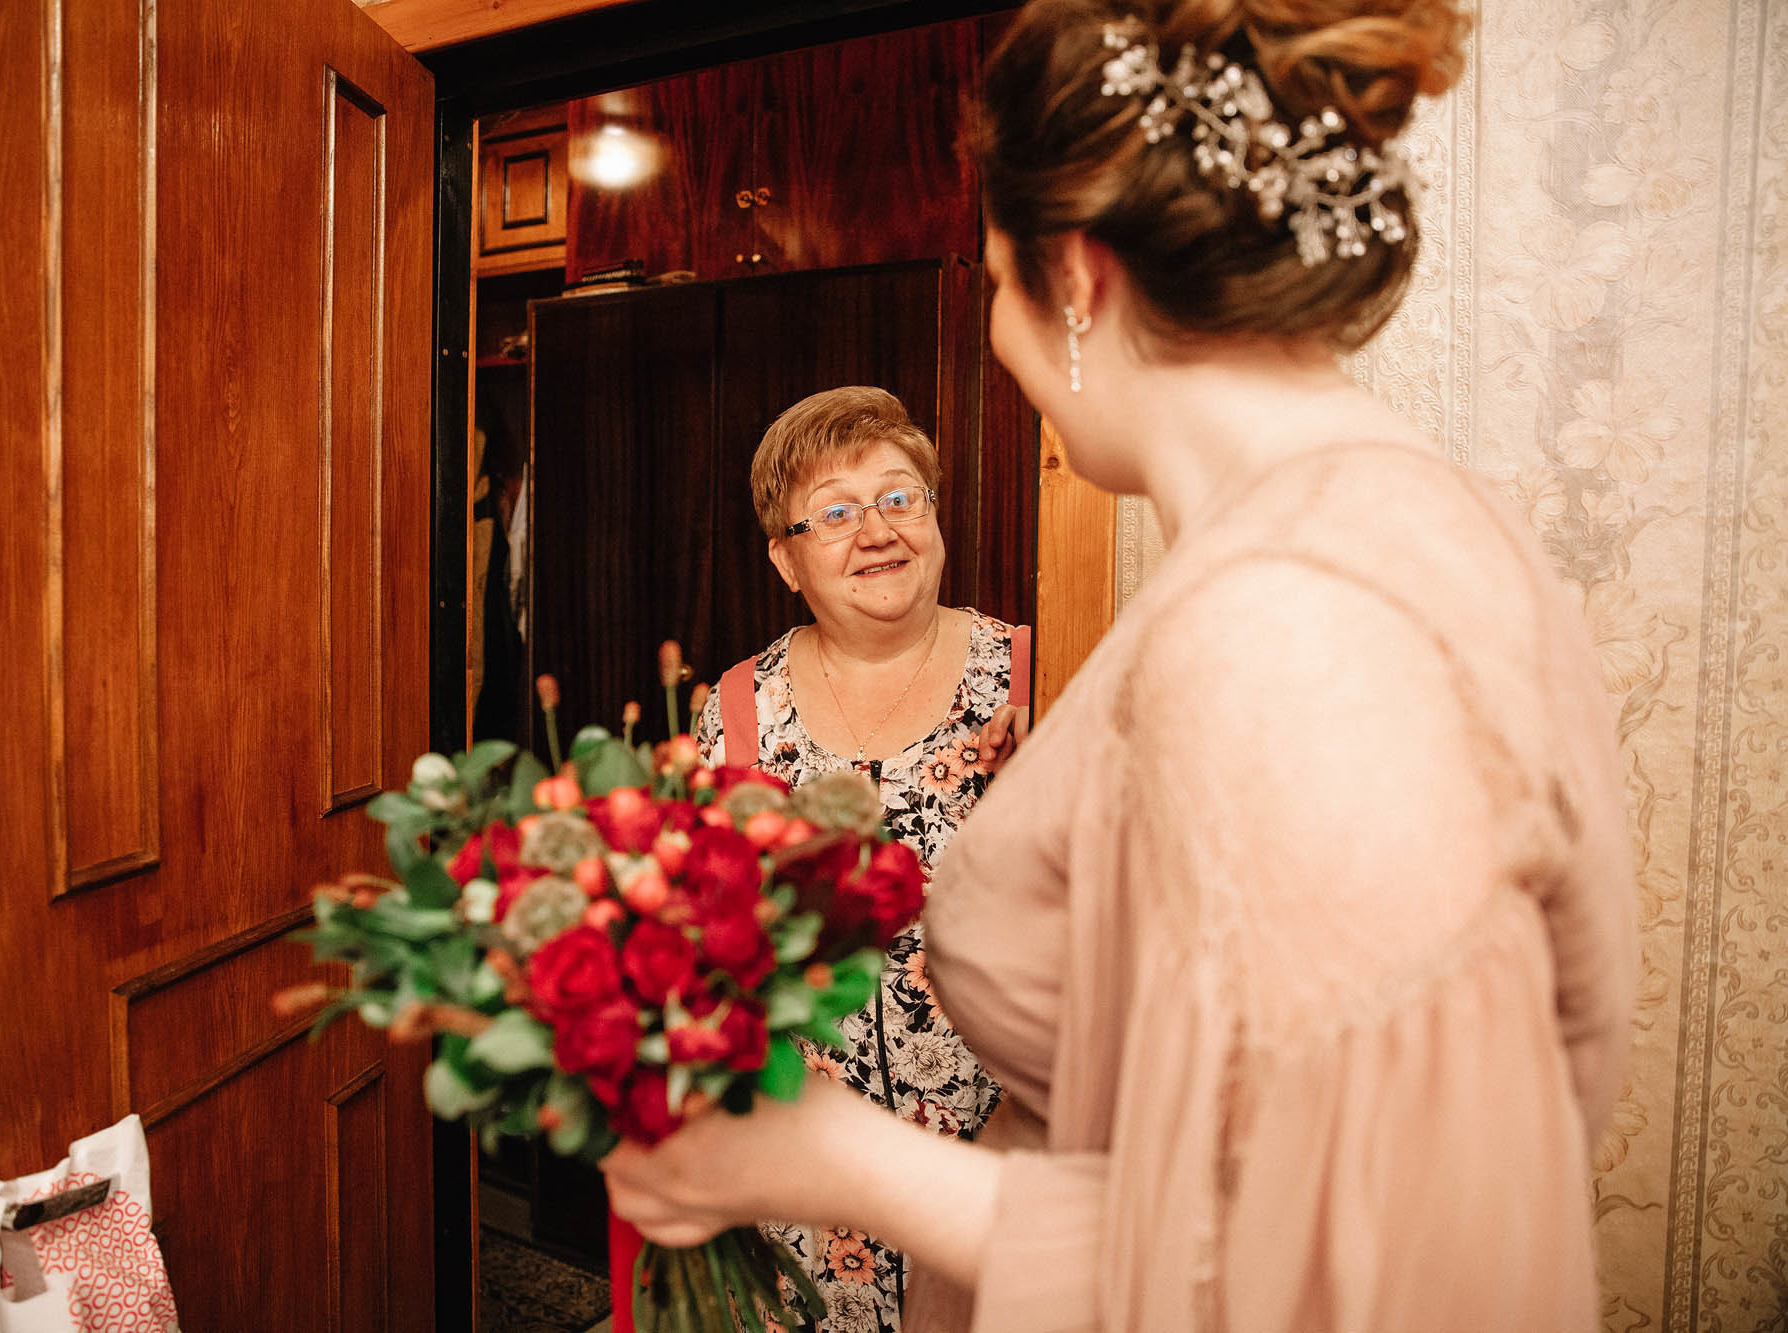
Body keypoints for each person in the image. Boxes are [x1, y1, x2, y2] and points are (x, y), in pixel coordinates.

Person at [605, 2, 1637, 1330]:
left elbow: (1383, 1281)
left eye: (996, 281)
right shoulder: (1360, 535)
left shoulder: (1302, 628)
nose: (999, 332)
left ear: (1079, 280)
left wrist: (837, 1161)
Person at [686, 384, 1031, 1332]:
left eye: (898, 497)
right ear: (786, 559)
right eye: (835, 513)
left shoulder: (1033, 674)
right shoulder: (739, 709)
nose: (876, 531)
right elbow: (706, 949)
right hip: (801, 1182)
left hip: (990, 1166)